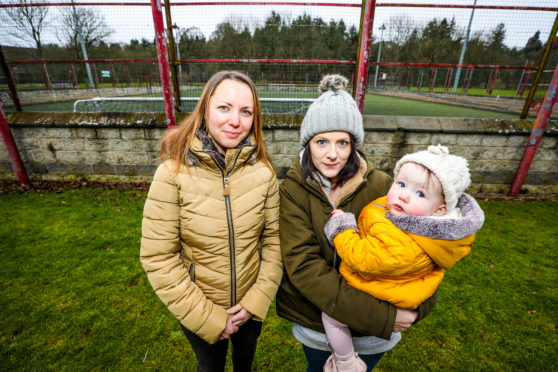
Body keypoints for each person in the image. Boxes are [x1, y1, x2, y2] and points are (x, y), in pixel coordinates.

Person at [276, 74, 439, 372]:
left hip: (371, 338)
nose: (332, 153)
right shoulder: (292, 189)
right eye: (321, 141)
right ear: (307, 143)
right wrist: (385, 317)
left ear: (354, 145)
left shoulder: (383, 186)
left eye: (343, 142)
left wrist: (418, 308)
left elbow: (425, 248)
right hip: (319, 328)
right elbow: (303, 266)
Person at [140, 70, 282, 372]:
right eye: (224, 108)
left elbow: (273, 242)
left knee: (245, 364)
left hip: (249, 309)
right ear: (205, 109)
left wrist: (255, 302)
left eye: (246, 112)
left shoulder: (264, 173)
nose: (236, 121)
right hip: (198, 309)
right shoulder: (172, 175)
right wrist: (208, 318)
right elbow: (158, 257)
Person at [322, 144, 485, 371]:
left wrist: (342, 228)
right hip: (386, 285)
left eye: (420, 194)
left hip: (376, 291)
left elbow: (362, 258)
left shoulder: (406, 242)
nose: (403, 196)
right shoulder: (405, 217)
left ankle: (346, 361)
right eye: (400, 184)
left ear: (439, 210)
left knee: (331, 316)